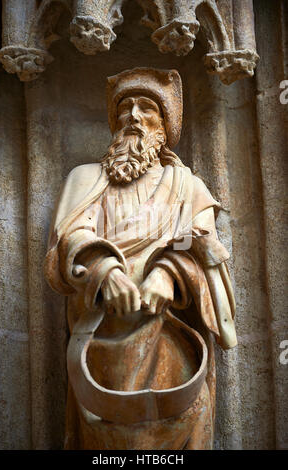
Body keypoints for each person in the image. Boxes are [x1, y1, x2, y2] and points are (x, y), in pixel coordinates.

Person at [44, 67, 237, 450]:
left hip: (168, 331)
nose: (133, 116)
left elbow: (201, 248)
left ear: (164, 125)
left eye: (146, 108)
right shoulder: (85, 179)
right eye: (125, 108)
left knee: (179, 421)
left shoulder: (187, 186)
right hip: (100, 333)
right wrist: (103, 269)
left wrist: (166, 274)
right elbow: (70, 236)